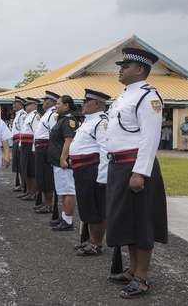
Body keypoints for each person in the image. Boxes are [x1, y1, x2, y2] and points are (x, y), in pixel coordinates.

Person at [106, 48, 168, 299]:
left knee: (141, 222)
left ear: (140, 70)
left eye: (126, 65)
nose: (120, 69)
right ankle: (132, 270)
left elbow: (150, 137)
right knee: (125, 220)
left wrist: (139, 172)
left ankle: (141, 278)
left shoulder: (148, 97)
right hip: (119, 165)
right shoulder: (124, 96)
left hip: (135, 166)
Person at [69, 89, 110, 255]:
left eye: (86, 102)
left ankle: (97, 243)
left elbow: (105, 150)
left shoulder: (102, 121)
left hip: (92, 169)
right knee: (87, 205)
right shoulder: (88, 121)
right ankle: (91, 239)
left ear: (97, 104)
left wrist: (102, 176)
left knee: (95, 208)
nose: (82, 104)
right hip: (82, 169)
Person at [47, 95, 78, 231]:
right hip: (58, 162)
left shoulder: (69, 120)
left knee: (69, 191)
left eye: (58, 104)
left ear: (66, 105)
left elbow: (68, 140)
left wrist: (63, 159)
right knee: (63, 191)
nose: (56, 106)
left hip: (64, 162)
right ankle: (64, 217)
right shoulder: (61, 119)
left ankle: (69, 221)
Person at [34, 91, 60, 214]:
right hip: (41, 147)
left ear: (53, 102)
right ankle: (46, 201)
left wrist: (52, 152)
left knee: (47, 176)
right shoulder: (47, 114)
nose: (43, 102)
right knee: (41, 175)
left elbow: (54, 134)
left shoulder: (53, 114)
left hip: (46, 147)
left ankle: (49, 204)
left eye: (46, 100)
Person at [18, 98, 41, 201]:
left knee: (31, 170)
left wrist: (33, 146)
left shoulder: (36, 116)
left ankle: (33, 192)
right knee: (25, 169)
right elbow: (23, 131)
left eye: (28, 105)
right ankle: (27, 191)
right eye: (26, 105)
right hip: (24, 143)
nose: (26, 107)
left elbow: (36, 132)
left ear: (34, 106)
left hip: (30, 144)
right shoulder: (28, 116)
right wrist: (20, 143)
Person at [11, 96, 27, 192]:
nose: (13, 105)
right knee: (18, 165)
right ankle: (22, 184)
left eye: (15, 104)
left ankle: (23, 185)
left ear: (20, 105)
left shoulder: (22, 115)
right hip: (16, 140)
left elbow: (22, 130)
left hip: (19, 140)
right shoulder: (18, 114)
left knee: (21, 165)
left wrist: (20, 143)